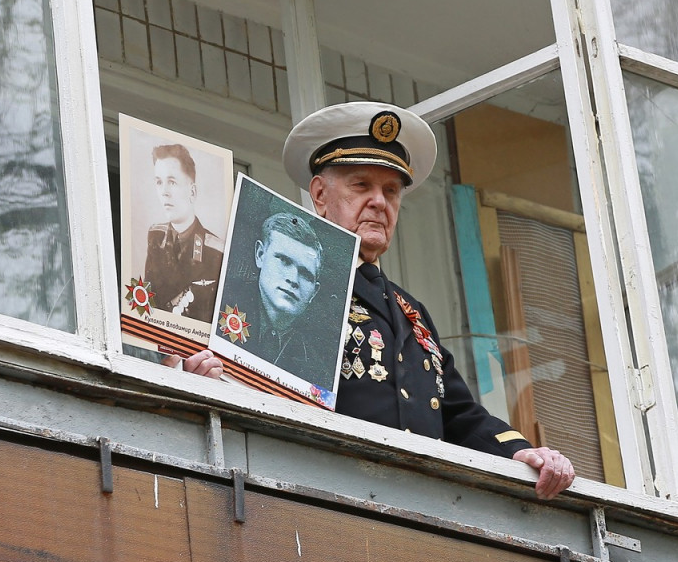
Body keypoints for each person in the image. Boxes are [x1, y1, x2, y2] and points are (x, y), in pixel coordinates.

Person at [175, 102, 575, 500]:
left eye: (391, 191)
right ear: (319, 194)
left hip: (421, 512)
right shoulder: (287, 286)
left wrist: (520, 450)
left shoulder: (411, 311)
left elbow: (456, 413)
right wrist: (200, 382)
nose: (379, 202)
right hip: (320, 500)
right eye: (361, 185)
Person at [221, 212, 326, 384]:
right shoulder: (218, 302)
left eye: (306, 275)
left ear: (314, 293)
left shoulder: (316, 369)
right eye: (284, 260)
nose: (293, 279)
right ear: (260, 255)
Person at [143, 143, 223, 322]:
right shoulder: (155, 236)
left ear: (192, 192)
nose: (164, 192)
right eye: (159, 182)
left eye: (172, 182)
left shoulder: (216, 251)